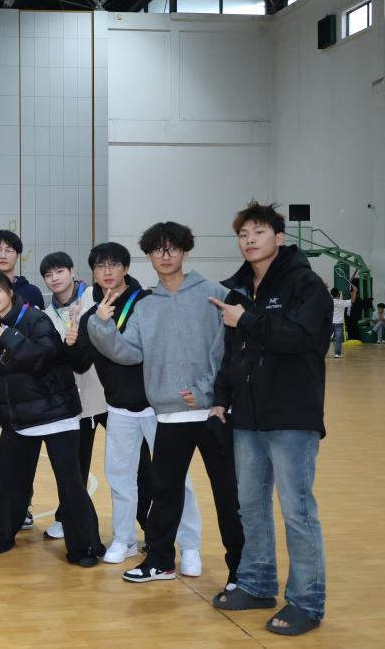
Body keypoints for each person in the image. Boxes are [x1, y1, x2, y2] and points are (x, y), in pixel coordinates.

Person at [88, 221, 244, 587]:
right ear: (148, 256)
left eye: (172, 247)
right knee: (164, 491)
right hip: (169, 415)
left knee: (228, 494)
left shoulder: (212, 293)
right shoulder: (147, 306)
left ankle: (241, 570)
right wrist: (102, 326)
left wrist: (207, 390)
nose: (165, 255)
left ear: (184, 250)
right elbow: (129, 353)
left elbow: (228, 347)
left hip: (214, 412)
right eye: (157, 249)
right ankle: (159, 560)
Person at [209, 201, 332, 637]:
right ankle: (258, 584)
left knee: (297, 511)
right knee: (251, 507)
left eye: (258, 232)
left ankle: (306, 602)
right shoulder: (238, 291)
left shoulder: (305, 284)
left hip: (292, 415)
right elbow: (231, 355)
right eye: (243, 234)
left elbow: (303, 337)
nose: (249, 240)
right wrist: (221, 399)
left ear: (279, 238)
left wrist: (248, 320)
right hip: (247, 416)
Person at [66, 242, 202, 566]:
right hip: (119, 408)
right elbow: (81, 363)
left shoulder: (147, 303)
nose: (107, 271)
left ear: (126, 268)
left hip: (160, 407)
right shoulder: (90, 315)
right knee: (120, 478)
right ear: (93, 273)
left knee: (176, 478)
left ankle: (189, 545)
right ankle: (124, 539)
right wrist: (71, 340)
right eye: (100, 266)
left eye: (114, 264)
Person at [0, 272, 105, 564]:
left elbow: (44, 358)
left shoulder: (35, 319)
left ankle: (86, 547)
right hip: (21, 418)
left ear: (10, 292)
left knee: (70, 484)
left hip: (56, 413)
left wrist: (11, 339)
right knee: (7, 480)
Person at [0, 229, 45, 530]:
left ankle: (23, 503)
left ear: (18, 255)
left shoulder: (32, 293)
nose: (3, 254)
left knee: (23, 448)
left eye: (9, 249)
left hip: (23, 383)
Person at [40, 252, 108, 541]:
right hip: (76, 403)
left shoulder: (94, 297)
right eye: (48, 274)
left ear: (72, 272)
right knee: (75, 466)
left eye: (60, 271)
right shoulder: (47, 315)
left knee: (134, 465)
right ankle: (66, 517)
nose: (55, 278)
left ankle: (147, 525)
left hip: (108, 395)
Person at [329, 287, 355, 358]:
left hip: (330, 323)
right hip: (339, 323)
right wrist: (355, 291)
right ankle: (337, 354)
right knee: (338, 340)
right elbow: (352, 300)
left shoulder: (329, 301)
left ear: (331, 294)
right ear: (338, 294)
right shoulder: (342, 302)